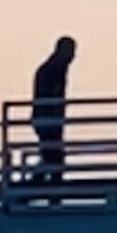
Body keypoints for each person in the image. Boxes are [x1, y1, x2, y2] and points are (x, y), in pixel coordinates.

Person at [30, 35, 78, 195]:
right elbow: (50, 96)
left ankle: (39, 186)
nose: (73, 56)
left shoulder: (52, 68)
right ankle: (46, 191)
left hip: (48, 119)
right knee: (54, 158)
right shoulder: (53, 70)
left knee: (50, 157)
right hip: (48, 120)